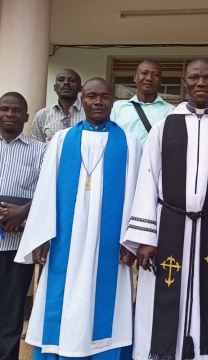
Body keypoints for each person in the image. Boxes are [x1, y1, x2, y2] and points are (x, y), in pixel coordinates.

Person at [123, 58, 208, 360]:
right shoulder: (165, 127)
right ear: (184, 80)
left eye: (207, 78)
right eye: (194, 77)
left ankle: (207, 355)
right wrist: (146, 237)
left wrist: (206, 208)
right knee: (162, 297)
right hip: (169, 225)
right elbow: (148, 179)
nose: (201, 83)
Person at [15, 78, 142, 360]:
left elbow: (137, 193)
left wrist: (131, 240)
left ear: (113, 101)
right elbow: (46, 190)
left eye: (105, 96)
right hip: (65, 240)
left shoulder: (130, 143)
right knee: (62, 301)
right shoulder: (61, 141)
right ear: (81, 100)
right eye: (92, 96)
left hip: (109, 243)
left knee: (105, 306)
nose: (98, 101)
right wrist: (41, 236)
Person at [0, 92, 46, 360]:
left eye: (16, 110)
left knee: (11, 314)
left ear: (27, 117)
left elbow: (47, 190)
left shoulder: (41, 150)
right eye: (4, 109)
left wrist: (22, 213)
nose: (10, 114)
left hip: (18, 245)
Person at [111, 60, 175, 147]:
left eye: (155, 75)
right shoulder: (117, 107)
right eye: (144, 73)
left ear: (160, 81)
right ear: (135, 77)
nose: (149, 78)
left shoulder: (171, 111)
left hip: (155, 160)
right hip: (123, 160)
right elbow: (109, 136)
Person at [32, 69, 84, 143]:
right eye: (61, 80)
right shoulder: (42, 115)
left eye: (72, 80)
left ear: (80, 88)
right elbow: (37, 148)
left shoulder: (88, 114)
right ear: (55, 87)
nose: (66, 83)